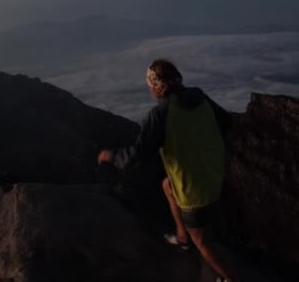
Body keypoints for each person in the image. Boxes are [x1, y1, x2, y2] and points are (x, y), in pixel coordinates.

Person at [98, 59, 239, 282]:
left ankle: (230, 278)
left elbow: (133, 156)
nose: (151, 90)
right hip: (215, 173)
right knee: (167, 185)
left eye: (151, 86)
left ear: (156, 86)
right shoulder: (200, 97)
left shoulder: (161, 115)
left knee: (202, 243)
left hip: (194, 190)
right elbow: (226, 121)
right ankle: (182, 236)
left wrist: (110, 156)